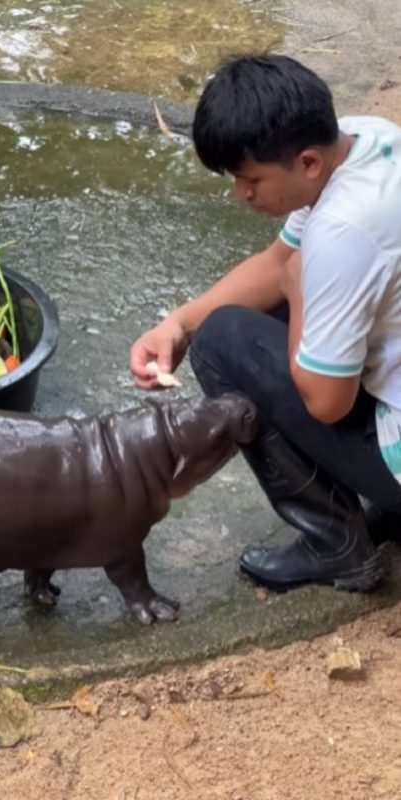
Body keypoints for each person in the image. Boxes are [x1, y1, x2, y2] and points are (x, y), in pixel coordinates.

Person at [129, 53, 401, 593]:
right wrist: (178, 323)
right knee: (230, 317)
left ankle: (338, 548)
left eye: (251, 179)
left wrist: (299, 301)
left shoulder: (343, 233)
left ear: (307, 163)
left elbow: (327, 402)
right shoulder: (367, 140)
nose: (241, 194)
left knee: (225, 342)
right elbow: (278, 264)